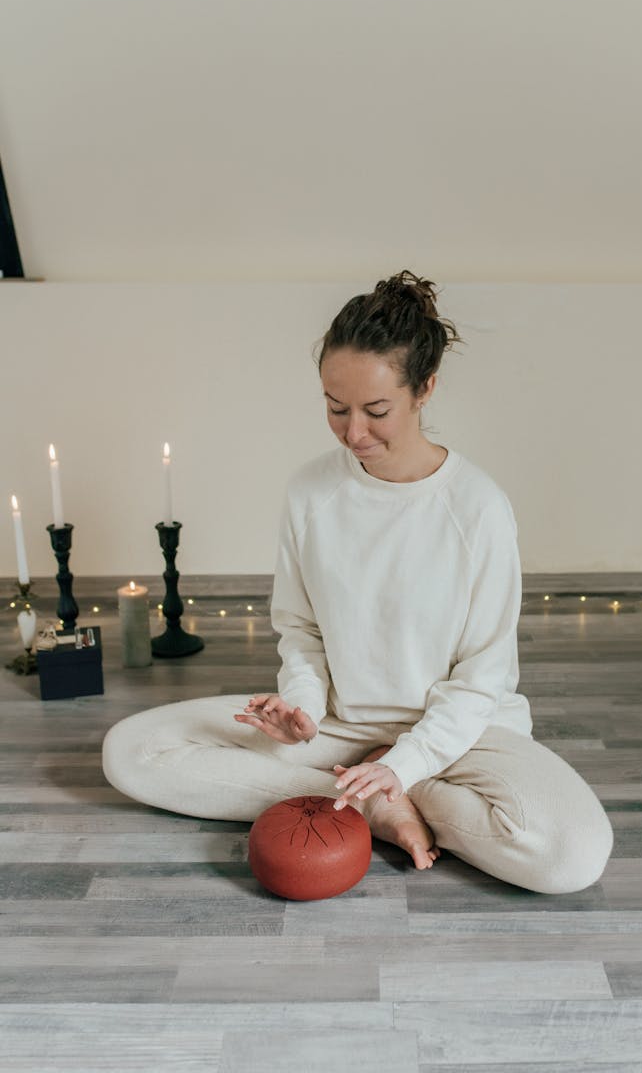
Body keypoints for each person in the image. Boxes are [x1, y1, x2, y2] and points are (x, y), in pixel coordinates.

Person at [102, 269, 613, 893]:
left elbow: (482, 676)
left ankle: (394, 789)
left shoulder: (478, 508)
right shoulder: (310, 492)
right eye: (334, 407)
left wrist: (408, 764)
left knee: (571, 855)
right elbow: (301, 628)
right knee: (133, 752)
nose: (353, 433)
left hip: (464, 734)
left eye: (376, 411)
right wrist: (304, 711)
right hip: (341, 728)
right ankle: (366, 797)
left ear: (424, 389)